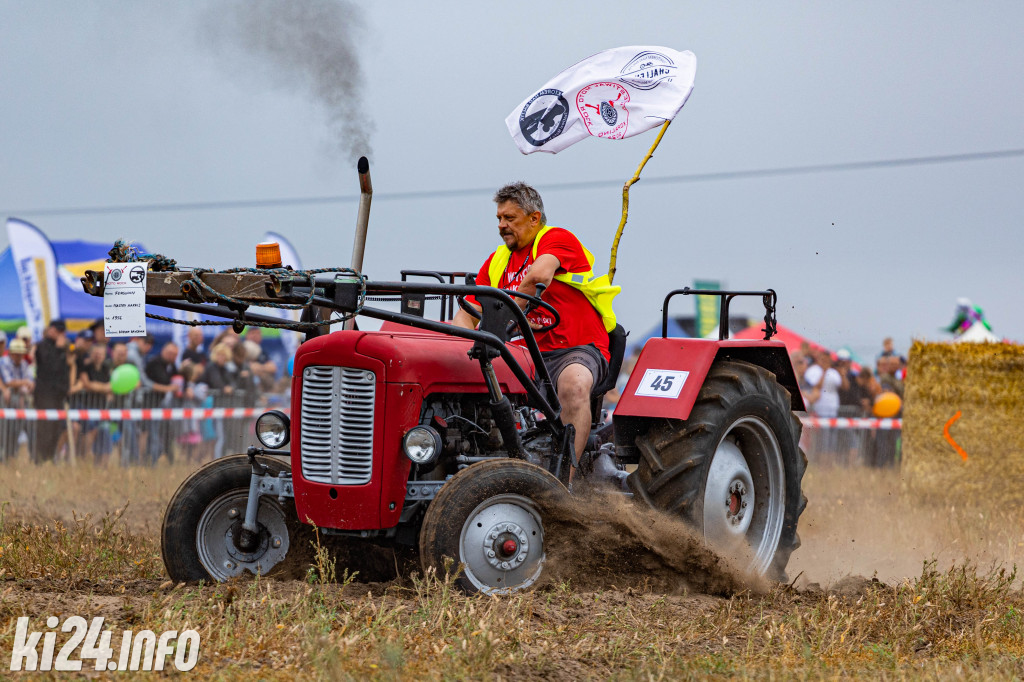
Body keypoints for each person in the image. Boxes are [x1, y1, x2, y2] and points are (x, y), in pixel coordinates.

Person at [453, 182, 618, 466]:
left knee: (574, 385)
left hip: (574, 350)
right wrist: (462, 347)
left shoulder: (556, 239)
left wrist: (502, 325)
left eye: (510, 218)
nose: (502, 225)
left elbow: (537, 277)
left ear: (534, 218)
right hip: (524, 356)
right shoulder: (497, 261)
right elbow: (468, 311)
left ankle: (563, 484)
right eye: (499, 219)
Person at [33, 319, 72, 463]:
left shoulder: (61, 348)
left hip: (58, 396)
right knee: (45, 430)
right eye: (58, 331)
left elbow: (64, 370)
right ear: (51, 330)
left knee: (56, 430)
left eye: (62, 332)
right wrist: (59, 349)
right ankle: (40, 460)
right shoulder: (42, 346)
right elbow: (50, 369)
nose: (61, 335)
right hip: (45, 396)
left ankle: (49, 459)